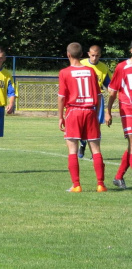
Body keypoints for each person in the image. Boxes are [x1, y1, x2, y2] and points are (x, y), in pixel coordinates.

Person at [58, 42, 106, 192]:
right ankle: (101, 184)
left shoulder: (65, 72)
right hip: (90, 111)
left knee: (72, 149)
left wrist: (60, 117)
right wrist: (96, 114)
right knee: (96, 149)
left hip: (74, 111)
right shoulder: (91, 71)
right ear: (83, 55)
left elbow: (61, 97)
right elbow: (98, 96)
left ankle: (76, 185)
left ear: (68, 54)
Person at [105, 41, 132, 189]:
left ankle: (118, 177)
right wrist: (108, 111)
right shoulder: (122, 67)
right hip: (128, 109)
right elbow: (113, 91)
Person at [78, 45, 112, 158]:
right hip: (83, 98)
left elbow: (109, 84)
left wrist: (113, 90)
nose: (94, 58)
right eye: (92, 55)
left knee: (96, 126)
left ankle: (95, 151)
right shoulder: (81, 64)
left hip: (98, 98)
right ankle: (82, 145)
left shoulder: (103, 67)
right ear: (88, 54)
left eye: (97, 56)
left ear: (100, 55)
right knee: (83, 125)